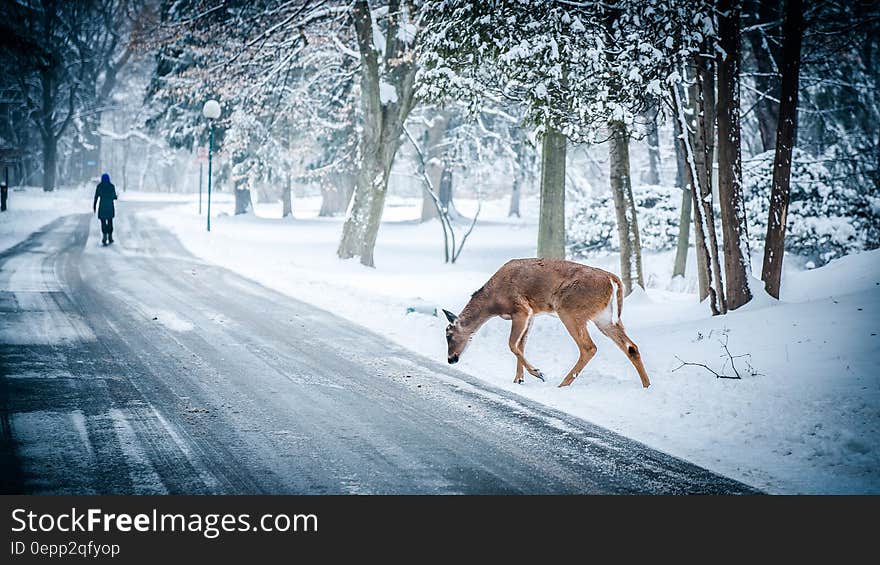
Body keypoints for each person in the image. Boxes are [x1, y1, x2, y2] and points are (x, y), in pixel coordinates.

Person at [93, 173, 118, 245]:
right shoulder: (111, 186)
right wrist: (116, 196)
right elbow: (114, 197)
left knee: (103, 222)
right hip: (110, 207)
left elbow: (96, 197)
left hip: (102, 207)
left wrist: (94, 206)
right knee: (110, 222)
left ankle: (104, 236)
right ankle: (110, 237)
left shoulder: (99, 186)